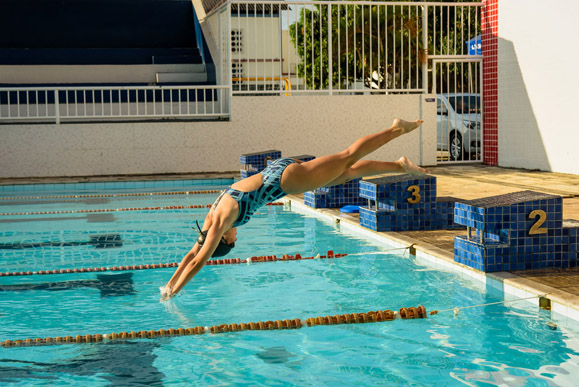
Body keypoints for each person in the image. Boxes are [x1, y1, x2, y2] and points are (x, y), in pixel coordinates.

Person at [161, 118, 428, 300]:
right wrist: (169, 284)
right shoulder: (210, 221)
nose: (236, 238)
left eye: (232, 242)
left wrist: (177, 291)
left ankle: (395, 130)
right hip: (279, 171)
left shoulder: (220, 222)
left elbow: (198, 261)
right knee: (346, 173)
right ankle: (399, 165)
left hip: (285, 180)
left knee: (348, 156)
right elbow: (191, 253)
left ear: (222, 239)